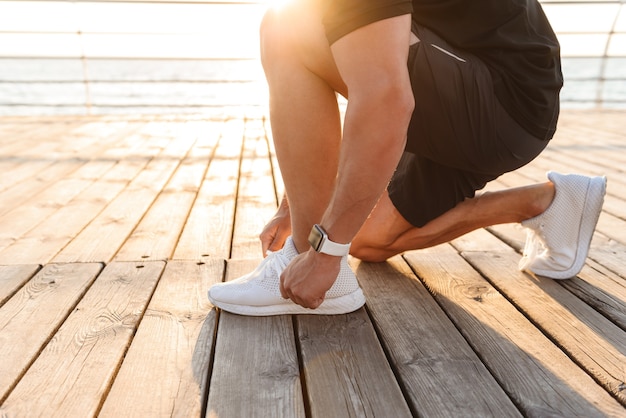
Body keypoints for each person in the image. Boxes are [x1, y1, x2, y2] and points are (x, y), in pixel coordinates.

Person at [208, 0, 607, 316]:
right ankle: (547, 202)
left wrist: (321, 252)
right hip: (487, 93)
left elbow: (385, 97)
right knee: (365, 238)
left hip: (502, 101)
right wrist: (299, 207)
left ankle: (301, 257)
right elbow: (365, 69)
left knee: (286, 27)